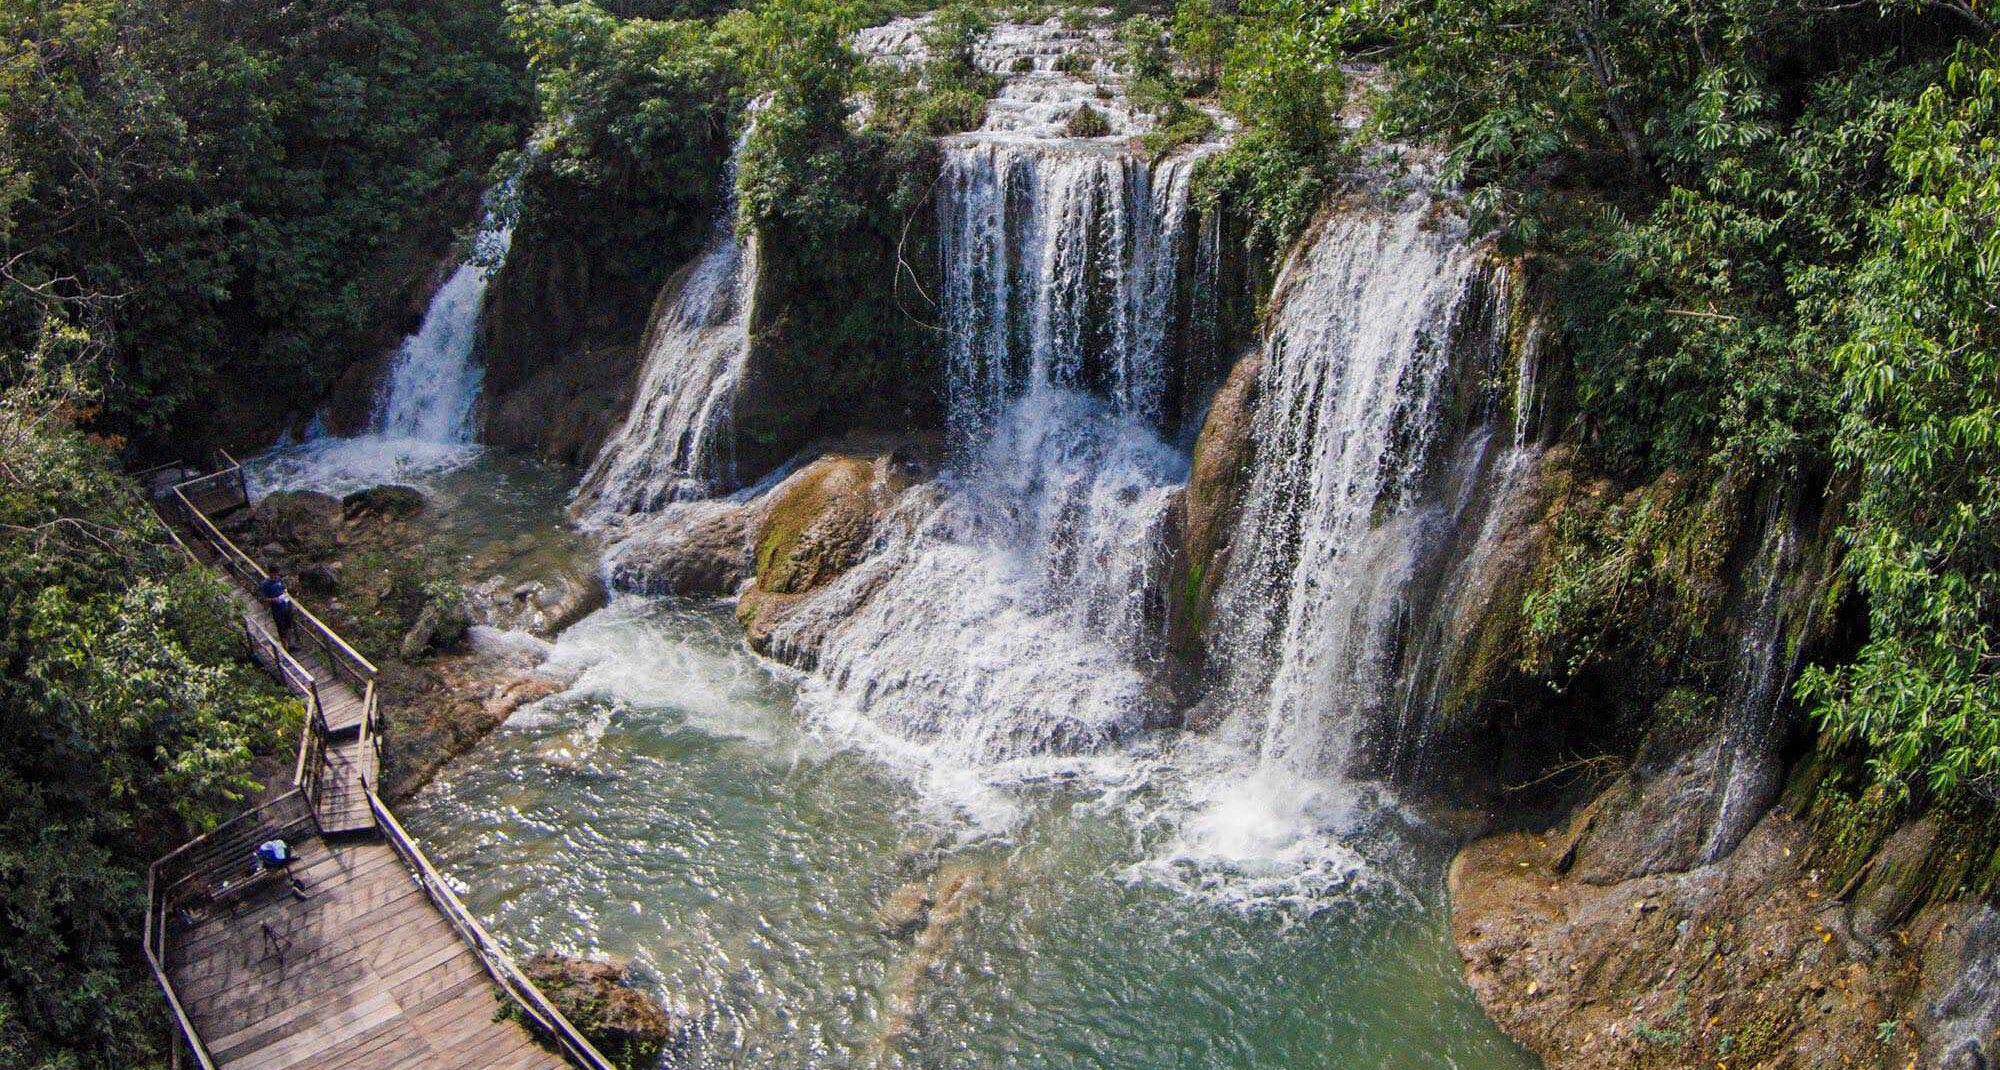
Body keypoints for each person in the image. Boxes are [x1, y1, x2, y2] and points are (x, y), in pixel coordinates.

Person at [260, 576, 297, 650]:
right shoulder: (266, 584)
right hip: (277, 610)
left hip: (286, 607)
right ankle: (285, 648)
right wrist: (274, 600)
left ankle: (289, 645)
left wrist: (286, 593)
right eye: (274, 575)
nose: (275, 577)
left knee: (288, 627)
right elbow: (264, 599)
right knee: (281, 629)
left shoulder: (279, 580)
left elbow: (283, 589)